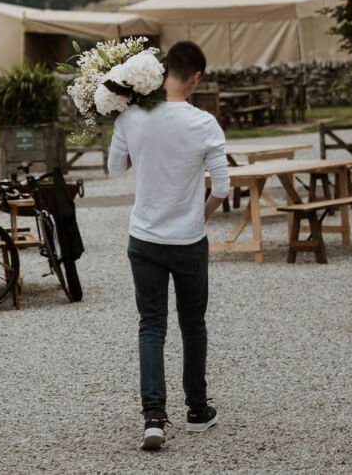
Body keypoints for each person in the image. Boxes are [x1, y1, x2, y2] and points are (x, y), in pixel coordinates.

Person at [107, 40, 229, 451]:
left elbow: (113, 169)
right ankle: (197, 410)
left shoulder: (131, 117)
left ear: (161, 72)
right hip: (189, 240)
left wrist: (132, 135)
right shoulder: (205, 124)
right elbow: (223, 189)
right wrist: (199, 217)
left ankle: (154, 419)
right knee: (193, 324)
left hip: (144, 237)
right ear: (195, 78)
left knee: (151, 325)